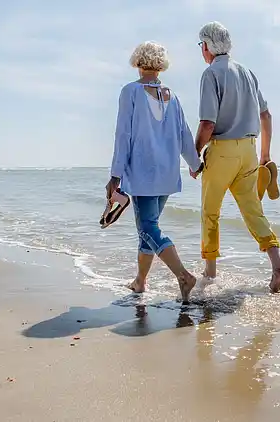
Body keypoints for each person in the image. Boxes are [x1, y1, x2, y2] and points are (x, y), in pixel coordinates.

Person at [191, 21, 280, 293]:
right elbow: (266, 115)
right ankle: (278, 268)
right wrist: (264, 156)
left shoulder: (211, 74)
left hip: (222, 151)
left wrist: (194, 155)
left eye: (201, 45)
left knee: (210, 213)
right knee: (252, 210)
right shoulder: (247, 72)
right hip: (249, 150)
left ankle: (210, 275)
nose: (202, 50)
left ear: (208, 46)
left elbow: (208, 123)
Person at [107, 41, 202, 303]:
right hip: (168, 173)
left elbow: (123, 135)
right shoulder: (173, 96)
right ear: (161, 65)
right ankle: (140, 281)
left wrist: (115, 175)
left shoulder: (131, 92)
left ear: (138, 62)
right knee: (149, 227)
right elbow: (185, 135)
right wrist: (195, 165)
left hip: (144, 172)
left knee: (148, 228)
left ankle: (183, 275)